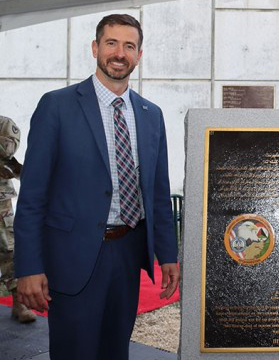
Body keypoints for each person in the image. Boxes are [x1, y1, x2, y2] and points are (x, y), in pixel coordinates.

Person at [13, 14, 179, 360]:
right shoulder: (56, 106)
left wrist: (169, 255)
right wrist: (29, 267)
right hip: (72, 256)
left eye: (129, 46)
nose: (120, 53)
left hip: (129, 252)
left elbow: (158, 193)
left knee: (115, 351)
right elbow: (31, 196)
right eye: (112, 43)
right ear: (95, 48)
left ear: (139, 55)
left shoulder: (151, 114)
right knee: (75, 352)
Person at [0, 115, 37, 323]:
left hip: (1, 204)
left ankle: (19, 302)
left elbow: (7, 150)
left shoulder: (4, 124)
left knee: (8, 249)